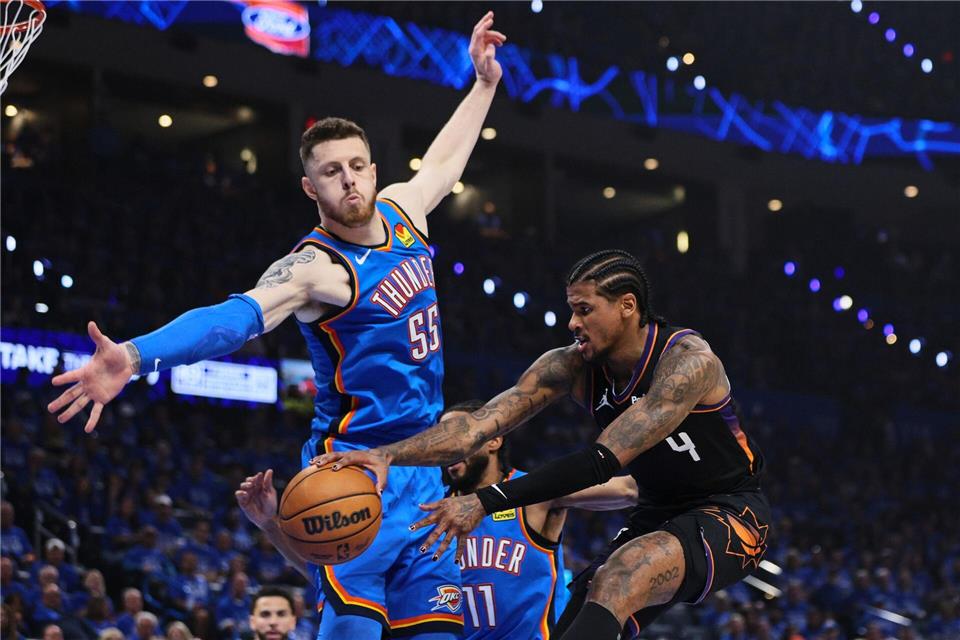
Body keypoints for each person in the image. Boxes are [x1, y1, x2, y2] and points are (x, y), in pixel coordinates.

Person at [48, 11, 506, 640]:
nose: (347, 179)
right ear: (308, 187)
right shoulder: (314, 269)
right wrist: (135, 355)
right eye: (330, 171)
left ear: (374, 170)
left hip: (422, 473)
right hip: (350, 474)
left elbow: (445, 164)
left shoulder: (406, 211)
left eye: (356, 165)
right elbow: (234, 319)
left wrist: (482, 85)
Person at [314, 249, 771, 639]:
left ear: (628, 306)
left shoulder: (688, 363)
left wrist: (485, 500)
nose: (572, 322)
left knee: (621, 574)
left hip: (731, 510)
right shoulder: (569, 366)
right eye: (571, 309)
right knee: (581, 615)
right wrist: (386, 454)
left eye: (585, 309)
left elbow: (600, 461)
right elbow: (474, 429)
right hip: (657, 510)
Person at [236, 401, 639, 640]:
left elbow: (627, 490)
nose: (447, 449)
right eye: (440, 441)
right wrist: (272, 524)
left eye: (456, 438)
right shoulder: (421, 509)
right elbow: (345, 580)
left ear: (493, 439)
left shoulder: (533, 493)